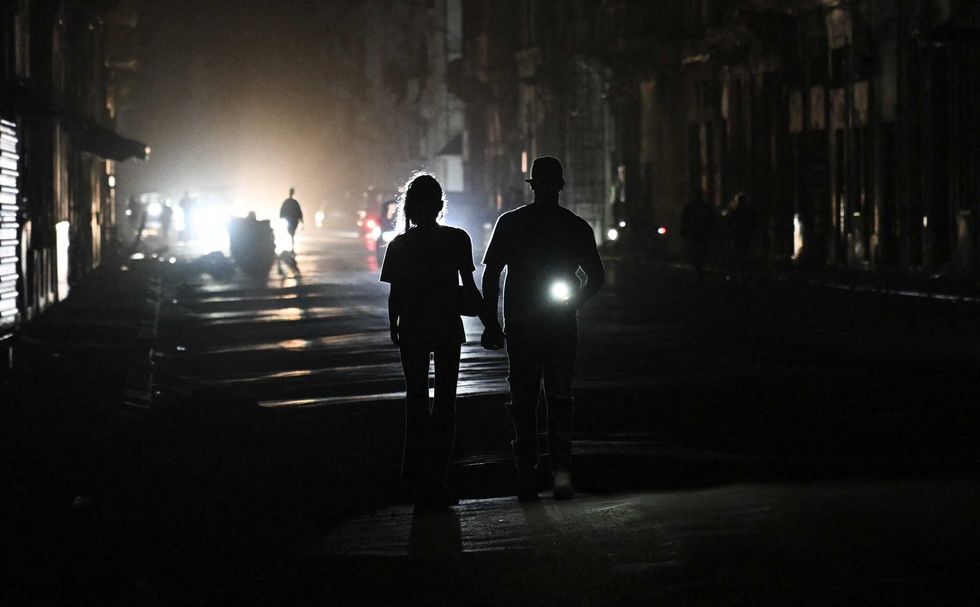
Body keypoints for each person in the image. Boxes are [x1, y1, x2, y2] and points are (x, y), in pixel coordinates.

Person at [481, 156, 605, 501]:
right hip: (556, 325)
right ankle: (557, 472)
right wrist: (573, 301)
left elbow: (492, 274)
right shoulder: (574, 227)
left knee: (527, 399)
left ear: (533, 185)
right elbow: (595, 276)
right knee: (556, 397)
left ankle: (529, 471)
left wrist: (492, 322)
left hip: (524, 325)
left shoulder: (511, 223)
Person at [380, 173, 483, 511]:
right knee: (445, 403)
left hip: (413, 327)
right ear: (440, 205)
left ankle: (413, 476)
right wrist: (490, 323)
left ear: (409, 207)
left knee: (416, 401)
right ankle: (439, 476)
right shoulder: (457, 239)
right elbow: (470, 289)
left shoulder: (399, 245)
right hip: (447, 326)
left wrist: (394, 325)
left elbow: (396, 294)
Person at [680, 193, 718, 284]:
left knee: (697, 254)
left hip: (698, 235)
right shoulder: (701, 207)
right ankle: (698, 272)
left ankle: (698, 271)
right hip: (698, 235)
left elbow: (684, 219)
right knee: (697, 254)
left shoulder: (694, 206)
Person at [727, 192, 759, 284]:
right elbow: (755, 225)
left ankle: (741, 275)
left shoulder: (736, 212)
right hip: (744, 236)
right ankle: (743, 275)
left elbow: (730, 224)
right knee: (744, 255)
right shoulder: (749, 212)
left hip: (740, 236)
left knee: (740, 256)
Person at [279, 187, 304, 253]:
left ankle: (292, 248)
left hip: (291, 220)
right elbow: (299, 211)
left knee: (291, 233)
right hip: (293, 220)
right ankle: (292, 248)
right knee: (292, 233)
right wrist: (301, 220)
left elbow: (282, 210)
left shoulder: (288, 202)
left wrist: (282, 216)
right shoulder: (294, 202)